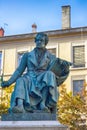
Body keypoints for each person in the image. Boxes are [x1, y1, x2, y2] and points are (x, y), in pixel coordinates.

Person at [1, 32, 71, 113]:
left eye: (41, 40)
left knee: (49, 75)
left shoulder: (51, 56)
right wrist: (9, 82)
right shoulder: (27, 55)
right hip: (30, 77)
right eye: (37, 40)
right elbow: (19, 71)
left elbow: (57, 67)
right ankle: (19, 106)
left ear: (45, 42)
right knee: (20, 80)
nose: (39, 42)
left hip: (43, 76)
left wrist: (65, 66)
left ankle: (43, 103)